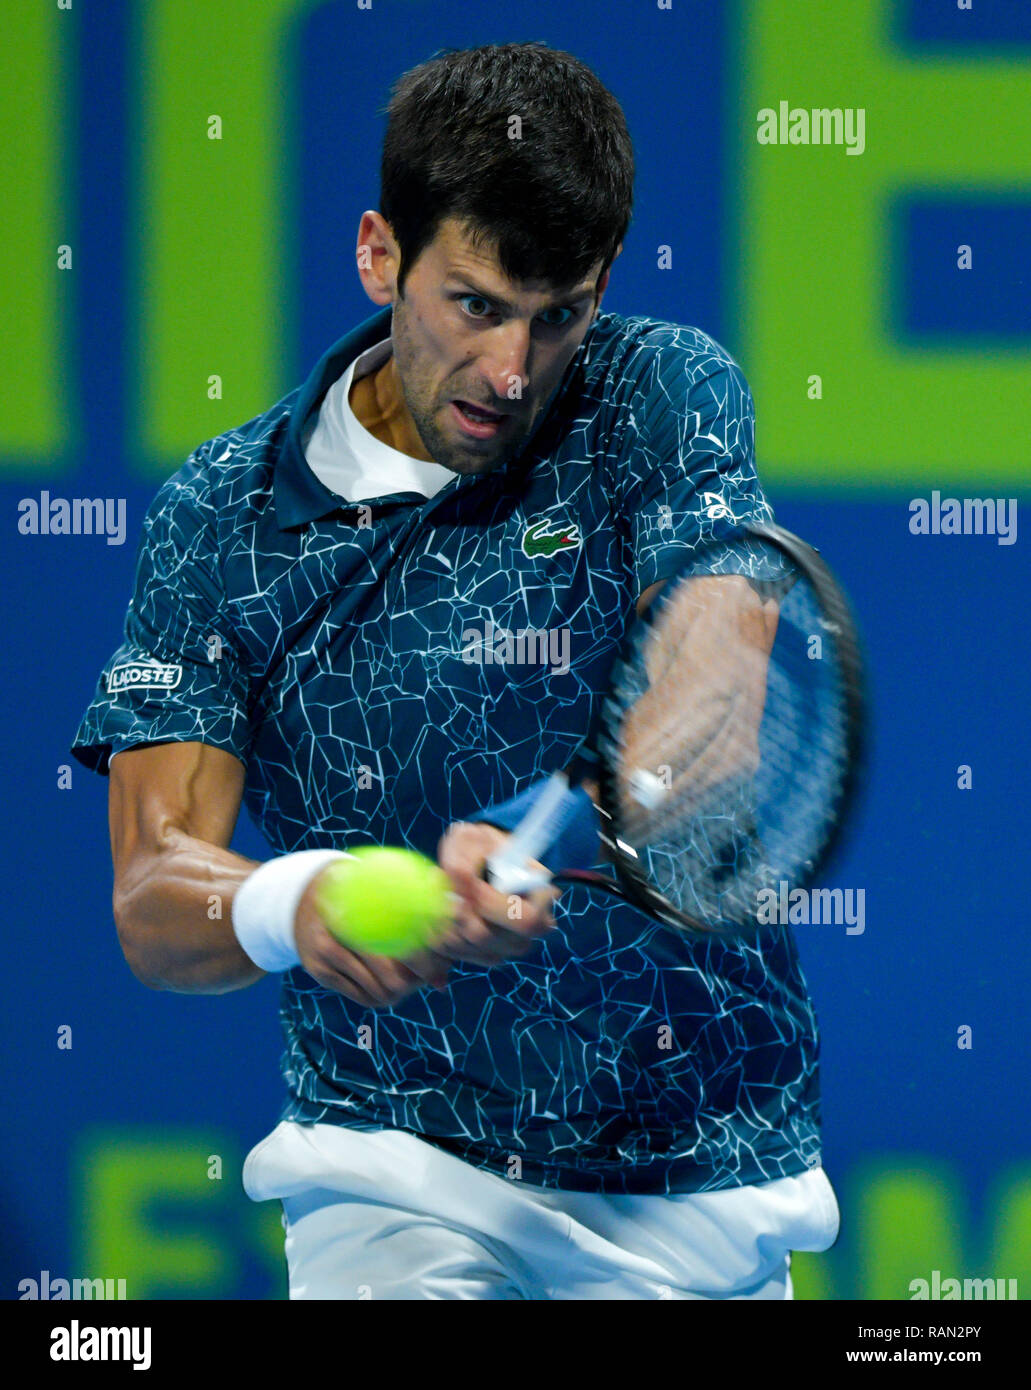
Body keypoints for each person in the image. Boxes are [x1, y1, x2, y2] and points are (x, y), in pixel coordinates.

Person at [71, 41, 839, 1300]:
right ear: (380, 254)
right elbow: (154, 896)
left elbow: (708, 693)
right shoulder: (220, 517)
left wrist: (582, 815)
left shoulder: (660, 389)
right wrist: (301, 900)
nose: (511, 373)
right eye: (475, 304)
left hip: (693, 1173)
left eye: (559, 315)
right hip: (386, 1167)